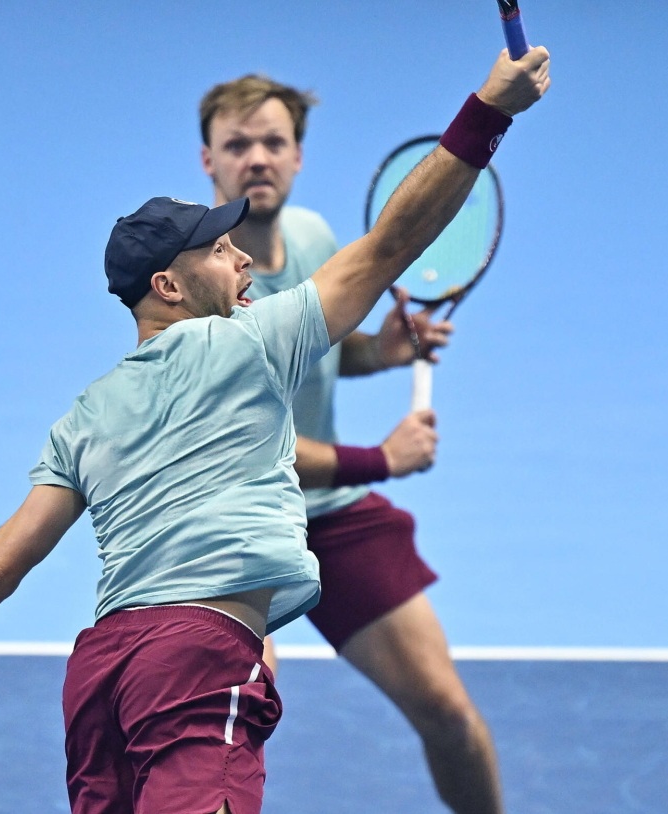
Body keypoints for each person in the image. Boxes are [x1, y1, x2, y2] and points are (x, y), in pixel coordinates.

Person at [0, 46, 551, 814]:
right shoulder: (254, 343)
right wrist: (490, 109)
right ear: (169, 284)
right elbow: (394, 241)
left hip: (102, 677)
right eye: (223, 254)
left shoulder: (83, 417)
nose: (244, 266)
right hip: (197, 664)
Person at [196, 75, 500, 812]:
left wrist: (382, 351)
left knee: (448, 715)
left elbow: (324, 348)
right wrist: (383, 460)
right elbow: (254, 445)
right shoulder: (199, 287)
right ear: (208, 162)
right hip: (234, 529)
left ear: (298, 156)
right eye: (237, 145)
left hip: (327, 516)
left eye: (273, 142)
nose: (256, 159)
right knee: (225, 736)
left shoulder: (312, 238)